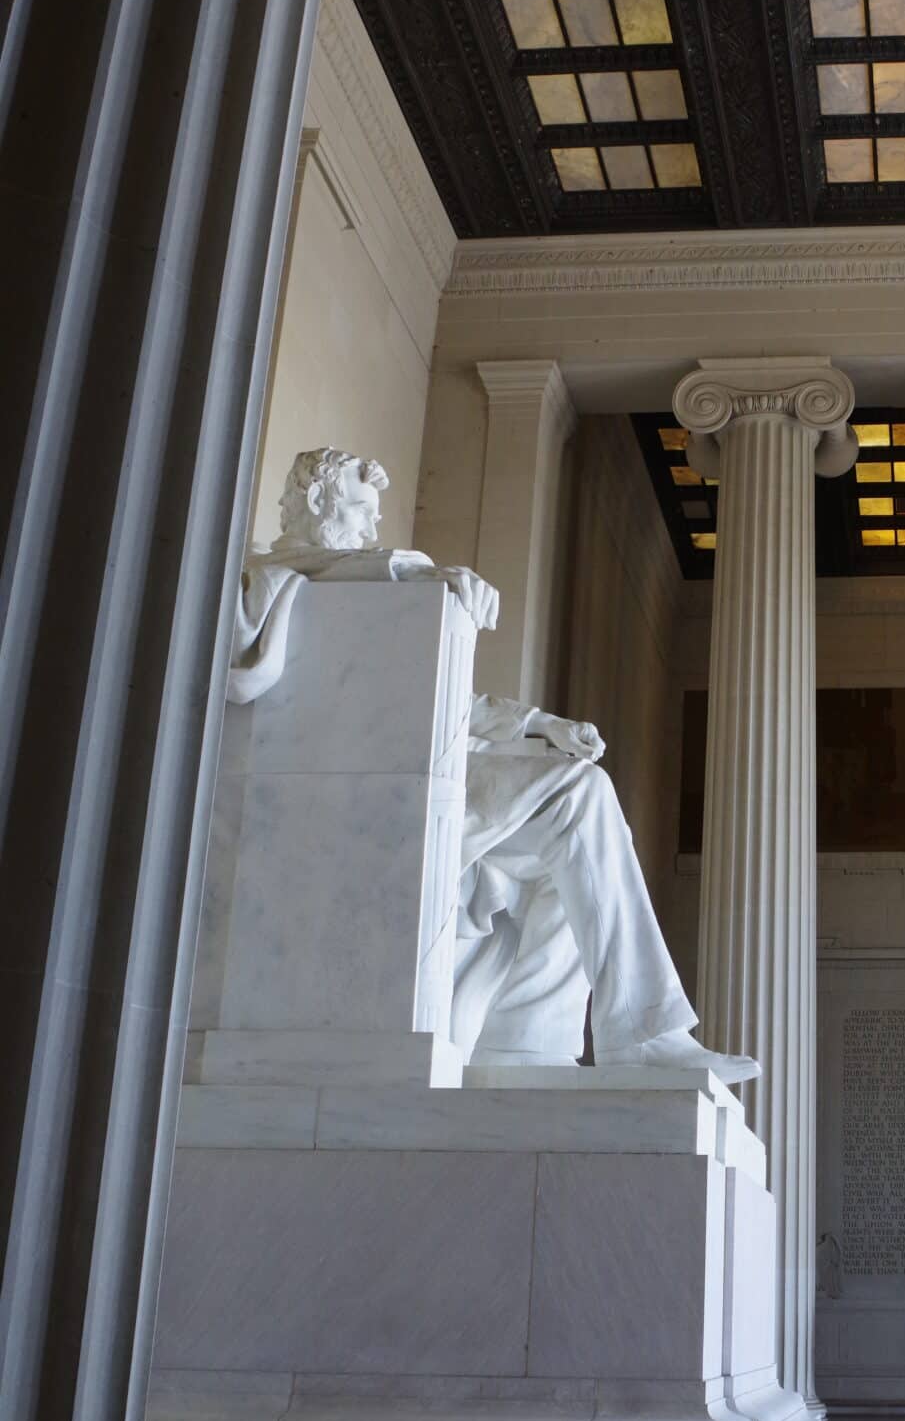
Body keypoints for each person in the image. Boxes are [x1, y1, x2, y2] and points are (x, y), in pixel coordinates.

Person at [229, 447, 758, 1084]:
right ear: (318, 503)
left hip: (406, 772)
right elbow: (295, 594)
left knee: (575, 842)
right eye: (360, 510)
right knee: (578, 797)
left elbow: (448, 700)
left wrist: (540, 724)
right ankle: (644, 1032)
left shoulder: (366, 578)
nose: (372, 529)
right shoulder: (273, 576)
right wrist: (415, 571)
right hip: (350, 787)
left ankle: (525, 1049)